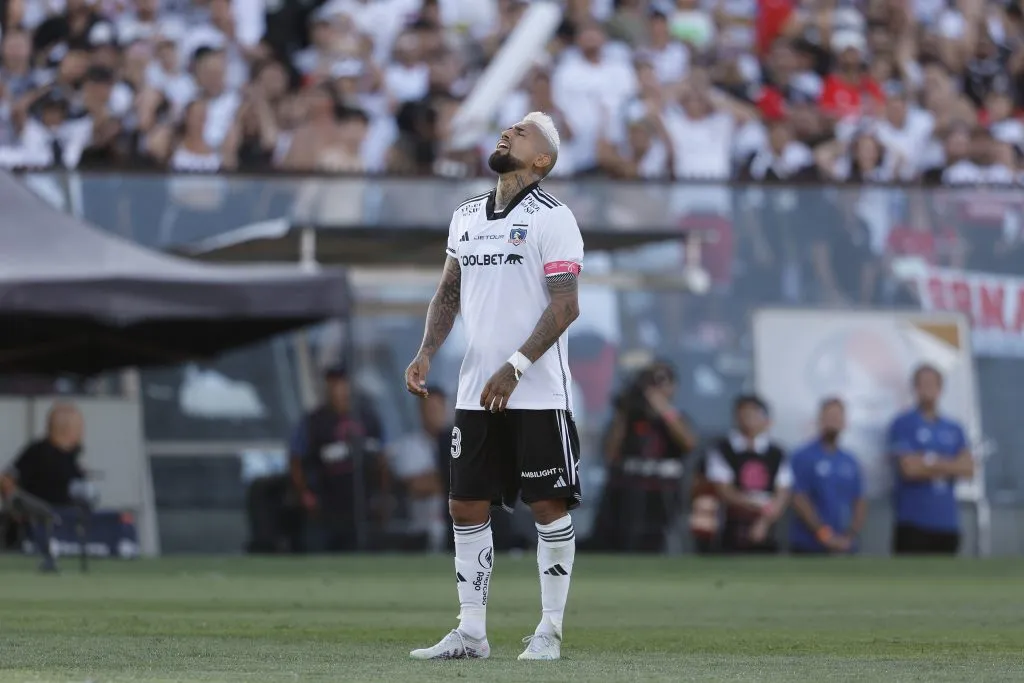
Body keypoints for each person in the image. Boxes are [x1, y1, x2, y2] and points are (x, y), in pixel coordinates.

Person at [404, 112, 584, 662]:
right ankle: (471, 632)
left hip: (535, 390)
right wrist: (427, 350)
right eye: (509, 128)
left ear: (542, 160)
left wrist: (516, 366)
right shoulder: (464, 216)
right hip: (474, 390)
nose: (509, 133)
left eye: (523, 133)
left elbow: (566, 305)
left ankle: (549, 630)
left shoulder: (554, 218)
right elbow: (448, 294)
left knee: (547, 505)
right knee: (464, 504)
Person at [591, 361, 696, 552]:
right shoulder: (628, 416)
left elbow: (688, 443)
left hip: (665, 493)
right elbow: (610, 453)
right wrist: (624, 411)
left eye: (661, 382)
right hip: (628, 490)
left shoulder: (677, 417)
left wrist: (663, 408)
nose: (653, 389)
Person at [289, 365, 385, 553]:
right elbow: (296, 460)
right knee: (321, 554)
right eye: (333, 385)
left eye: (342, 384)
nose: (338, 390)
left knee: (363, 555)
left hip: (361, 504)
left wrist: (381, 495)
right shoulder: (314, 422)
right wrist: (305, 494)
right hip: (325, 504)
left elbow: (382, 459)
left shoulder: (368, 418)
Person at [888, 365, 974, 555]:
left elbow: (968, 468)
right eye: (923, 384)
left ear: (940, 388)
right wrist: (951, 464)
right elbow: (909, 469)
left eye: (932, 384)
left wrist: (928, 461)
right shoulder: (903, 423)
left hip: (947, 523)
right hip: (913, 523)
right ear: (915, 388)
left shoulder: (954, 428)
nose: (928, 388)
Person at [0, 402, 87, 571]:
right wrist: (12, 505)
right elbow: (7, 479)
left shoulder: (73, 455)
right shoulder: (37, 451)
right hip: (37, 509)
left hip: (63, 510)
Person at [705, 395, 791, 554]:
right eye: (743, 414)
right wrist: (754, 504)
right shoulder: (723, 449)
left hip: (769, 528)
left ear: (765, 419)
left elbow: (782, 493)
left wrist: (764, 521)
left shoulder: (777, 453)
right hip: (731, 527)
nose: (747, 419)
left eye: (753, 413)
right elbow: (724, 491)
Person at [788, 398, 866, 555]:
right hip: (808, 545)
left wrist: (849, 535)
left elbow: (859, 501)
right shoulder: (803, 456)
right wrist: (824, 535)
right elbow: (799, 499)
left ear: (844, 422)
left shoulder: (850, 460)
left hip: (845, 546)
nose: (834, 421)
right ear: (820, 420)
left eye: (838, 416)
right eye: (829, 416)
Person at [386, 385, 451, 552]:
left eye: (439, 408)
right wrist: (452, 478)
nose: (435, 414)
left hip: (455, 525)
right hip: (421, 529)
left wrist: (440, 479)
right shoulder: (409, 446)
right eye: (430, 409)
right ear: (421, 411)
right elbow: (416, 486)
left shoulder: (458, 444)